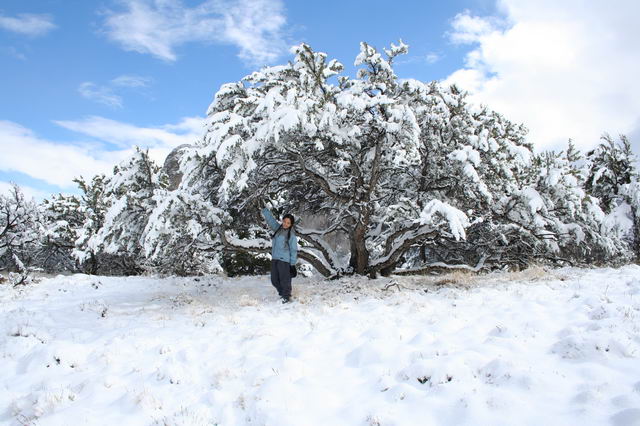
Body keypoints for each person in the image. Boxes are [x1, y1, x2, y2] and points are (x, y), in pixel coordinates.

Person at [261, 207, 298, 303]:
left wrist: (292, 264)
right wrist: (265, 211)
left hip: (284, 260)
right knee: (274, 280)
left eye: (288, 223)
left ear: (291, 224)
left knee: (285, 280)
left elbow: (294, 249)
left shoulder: (291, 234)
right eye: (285, 221)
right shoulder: (278, 229)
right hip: (275, 258)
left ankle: (286, 297)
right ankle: (283, 294)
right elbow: (271, 221)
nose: (286, 224)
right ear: (283, 221)